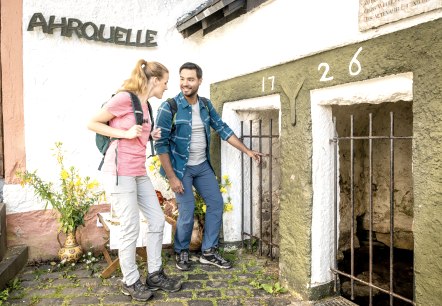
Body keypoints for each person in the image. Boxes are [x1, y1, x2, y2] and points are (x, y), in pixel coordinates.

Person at [87, 59, 181, 302]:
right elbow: (92, 122)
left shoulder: (145, 105)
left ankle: (154, 274)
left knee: (158, 219)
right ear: (154, 80)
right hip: (119, 172)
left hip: (138, 172)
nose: (167, 87)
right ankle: (130, 281)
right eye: (166, 82)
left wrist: (152, 133)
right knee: (130, 226)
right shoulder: (123, 98)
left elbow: (138, 131)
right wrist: (124, 133)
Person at [155, 62, 262, 271]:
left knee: (216, 204)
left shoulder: (205, 105)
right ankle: (182, 251)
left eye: (190, 79)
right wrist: (172, 177)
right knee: (186, 210)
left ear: (199, 81)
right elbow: (161, 145)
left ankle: (209, 252)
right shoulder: (169, 107)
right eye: (182, 79)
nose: (185, 84)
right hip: (181, 168)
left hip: (202, 166)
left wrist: (247, 150)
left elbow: (222, 128)